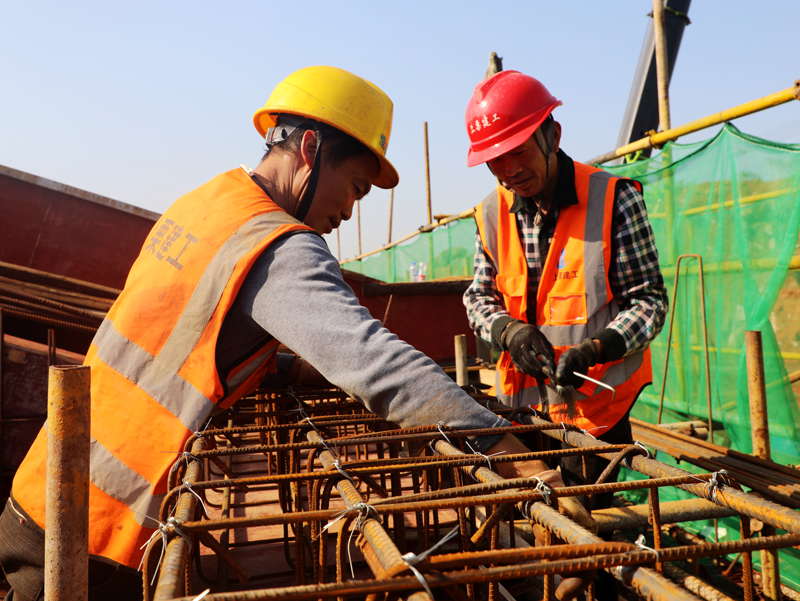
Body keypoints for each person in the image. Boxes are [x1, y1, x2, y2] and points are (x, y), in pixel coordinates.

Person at [0, 66, 591, 601]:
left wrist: (290, 366)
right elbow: (377, 363)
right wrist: (511, 458)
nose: (351, 212)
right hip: (100, 527)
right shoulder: (278, 243)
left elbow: (187, 344)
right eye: (356, 187)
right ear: (310, 149)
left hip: (49, 489)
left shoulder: (208, 203)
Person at [463, 70, 667, 515]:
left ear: (551, 135)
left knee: (587, 529)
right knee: (533, 526)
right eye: (495, 160)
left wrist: (598, 348)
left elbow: (649, 302)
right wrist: (508, 331)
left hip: (594, 417)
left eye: (517, 152)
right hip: (519, 411)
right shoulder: (490, 214)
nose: (508, 170)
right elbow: (478, 297)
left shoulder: (613, 198)